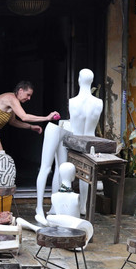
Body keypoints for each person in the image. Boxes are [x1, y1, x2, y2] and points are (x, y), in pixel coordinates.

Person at [35, 69, 103, 223]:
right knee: (85, 174)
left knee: (55, 168)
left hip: (74, 141)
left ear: (79, 80)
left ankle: (43, 207)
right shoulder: (99, 103)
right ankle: (83, 206)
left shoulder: (73, 101)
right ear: (91, 81)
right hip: (89, 143)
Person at [0, 81, 59, 161]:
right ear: (20, 90)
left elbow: (13, 121)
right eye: (28, 95)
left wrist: (30, 127)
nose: (29, 98)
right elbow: (24, 117)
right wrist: (47, 118)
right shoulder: (11, 99)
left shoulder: (12, 101)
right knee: (2, 162)